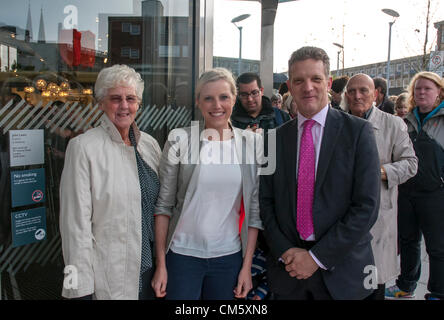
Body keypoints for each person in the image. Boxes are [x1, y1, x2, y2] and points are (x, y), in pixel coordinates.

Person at [259, 46, 381, 300]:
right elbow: (265, 203)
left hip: (342, 273)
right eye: (299, 80)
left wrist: (316, 257)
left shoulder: (358, 133)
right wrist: (285, 252)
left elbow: (366, 206)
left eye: (315, 79)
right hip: (288, 272)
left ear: (329, 82)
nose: (308, 87)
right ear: (289, 86)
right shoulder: (273, 140)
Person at [151, 67, 263, 300]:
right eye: (208, 98)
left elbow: (254, 211)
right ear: (198, 102)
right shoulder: (179, 139)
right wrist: (161, 264)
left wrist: (246, 266)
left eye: (224, 97)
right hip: (182, 256)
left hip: (229, 258)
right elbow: (163, 207)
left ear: (234, 99)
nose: (217, 105)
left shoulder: (252, 143)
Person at [59, 64, 162, 300]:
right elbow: (75, 226)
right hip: (111, 275)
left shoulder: (150, 145)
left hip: (152, 270)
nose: (124, 106)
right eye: (115, 99)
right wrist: (79, 288)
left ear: (139, 104)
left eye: (131, 98)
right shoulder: (83, 148)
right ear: (101, 103)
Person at [345, 73, 418, 300]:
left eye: (364, 90)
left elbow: (411, 164)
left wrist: (380, 172)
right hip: (342, 218)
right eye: (352, 91)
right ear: (346, 95)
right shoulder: (337, 124)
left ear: (375, 94)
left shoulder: (393, 124)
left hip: (378, 219)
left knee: (373, 284)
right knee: (344, 283)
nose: (358, 96)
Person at [386, 71, 444, 300]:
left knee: (437, 247)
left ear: (439, 92)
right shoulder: (406, 121)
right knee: (408, 241)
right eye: (418, 89)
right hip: (407, 192)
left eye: (427, 89)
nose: (421, 92)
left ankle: (438, 292)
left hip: (435, 194)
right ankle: (406, 285)